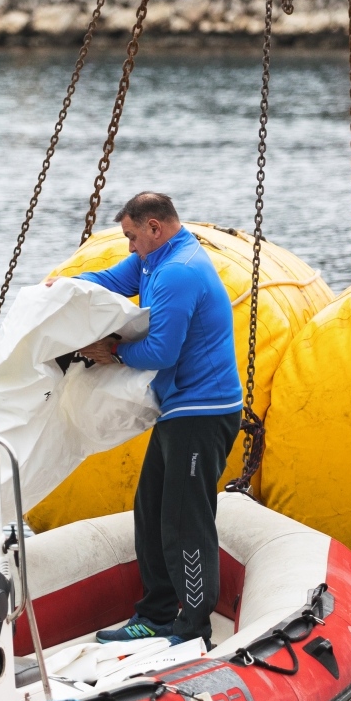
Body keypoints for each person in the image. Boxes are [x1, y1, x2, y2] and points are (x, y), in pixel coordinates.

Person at [46, 192, 242, 646]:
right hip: (178, 410)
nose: (130, 246)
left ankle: (194, 630)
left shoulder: (178, 271)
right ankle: (155, 616)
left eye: (133, 236)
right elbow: (111, 280)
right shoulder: (154, 260)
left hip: (204, 413)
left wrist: (109, 351)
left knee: (185, 522)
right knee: (150, 508)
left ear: (155, 227)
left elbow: (160, 352)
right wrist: (62, 286)